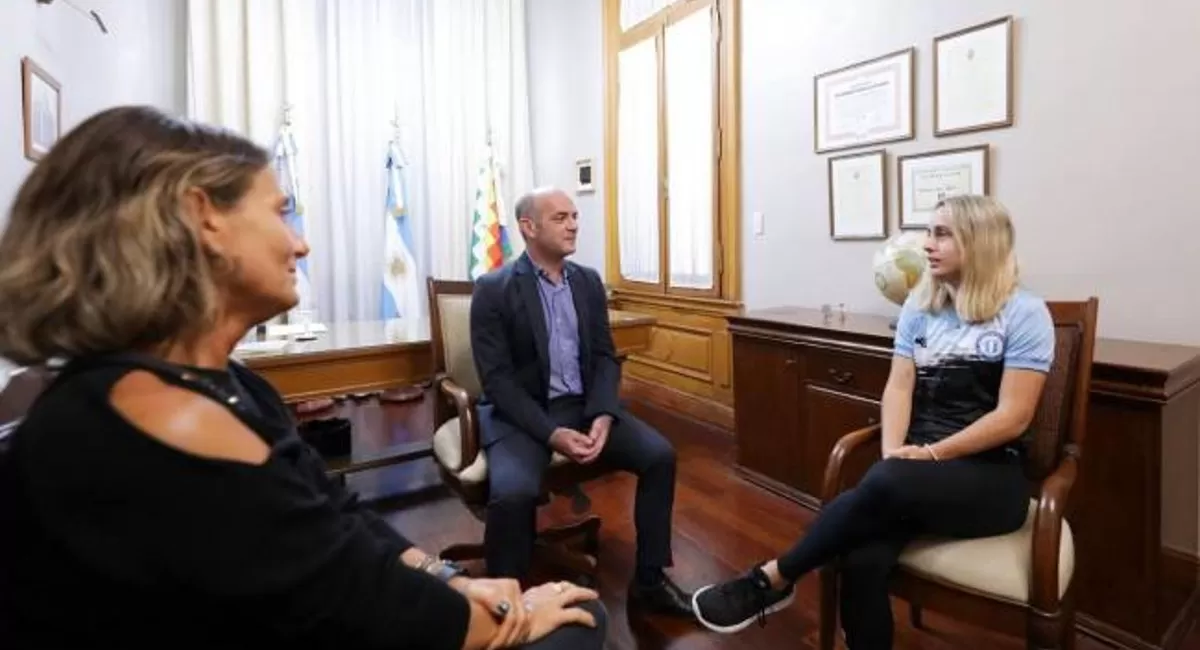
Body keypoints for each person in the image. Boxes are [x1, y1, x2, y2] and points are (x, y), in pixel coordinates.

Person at [0, 105, 606, 650]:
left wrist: (439, 574)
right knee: (582, 621)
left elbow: (335, 512)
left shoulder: (225, 384)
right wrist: (510, 614)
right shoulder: (160, 431)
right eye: (279, 211)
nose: (302, 242)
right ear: (202, 218)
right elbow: (355, 605)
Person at [692, 195, 1055, 648]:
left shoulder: (1024, 312)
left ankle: (773, 579)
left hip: (990, 476)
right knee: (861, 559)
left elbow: (1013, 417)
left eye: (942, 233)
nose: (927, 244)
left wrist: (924, 457)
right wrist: (893, 457)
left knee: (881, 488)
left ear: (980, 242)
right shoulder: (919, 307)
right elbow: (899, 386)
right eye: (929, 231)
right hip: (915, 470)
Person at [469, 187, 693, 618]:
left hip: (584, 406)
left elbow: (605, 356)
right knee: (513, 493)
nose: (573, 224)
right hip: (523, 415)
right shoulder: (494, 290)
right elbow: (497, 382)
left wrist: (604, 414)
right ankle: (503, 611)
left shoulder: (588, 281)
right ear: (528, 227)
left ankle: (649, 580)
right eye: (560, 218)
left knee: (660, 455)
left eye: (575, 216)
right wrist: (552, 434)